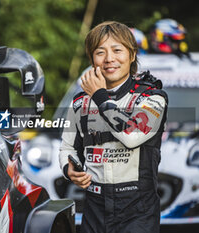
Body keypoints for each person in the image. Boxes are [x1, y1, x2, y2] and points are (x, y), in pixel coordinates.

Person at [59, 21, 168, 233]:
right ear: (92, 59)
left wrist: (99, 96)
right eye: (100, 52)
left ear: (132, 55)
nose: (109, 59)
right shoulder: (80, 102)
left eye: (117, 50)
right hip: (94, 206)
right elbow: (67, 148)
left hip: (138, 209)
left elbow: (132, 135)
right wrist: (68, 169)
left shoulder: (152, 97)